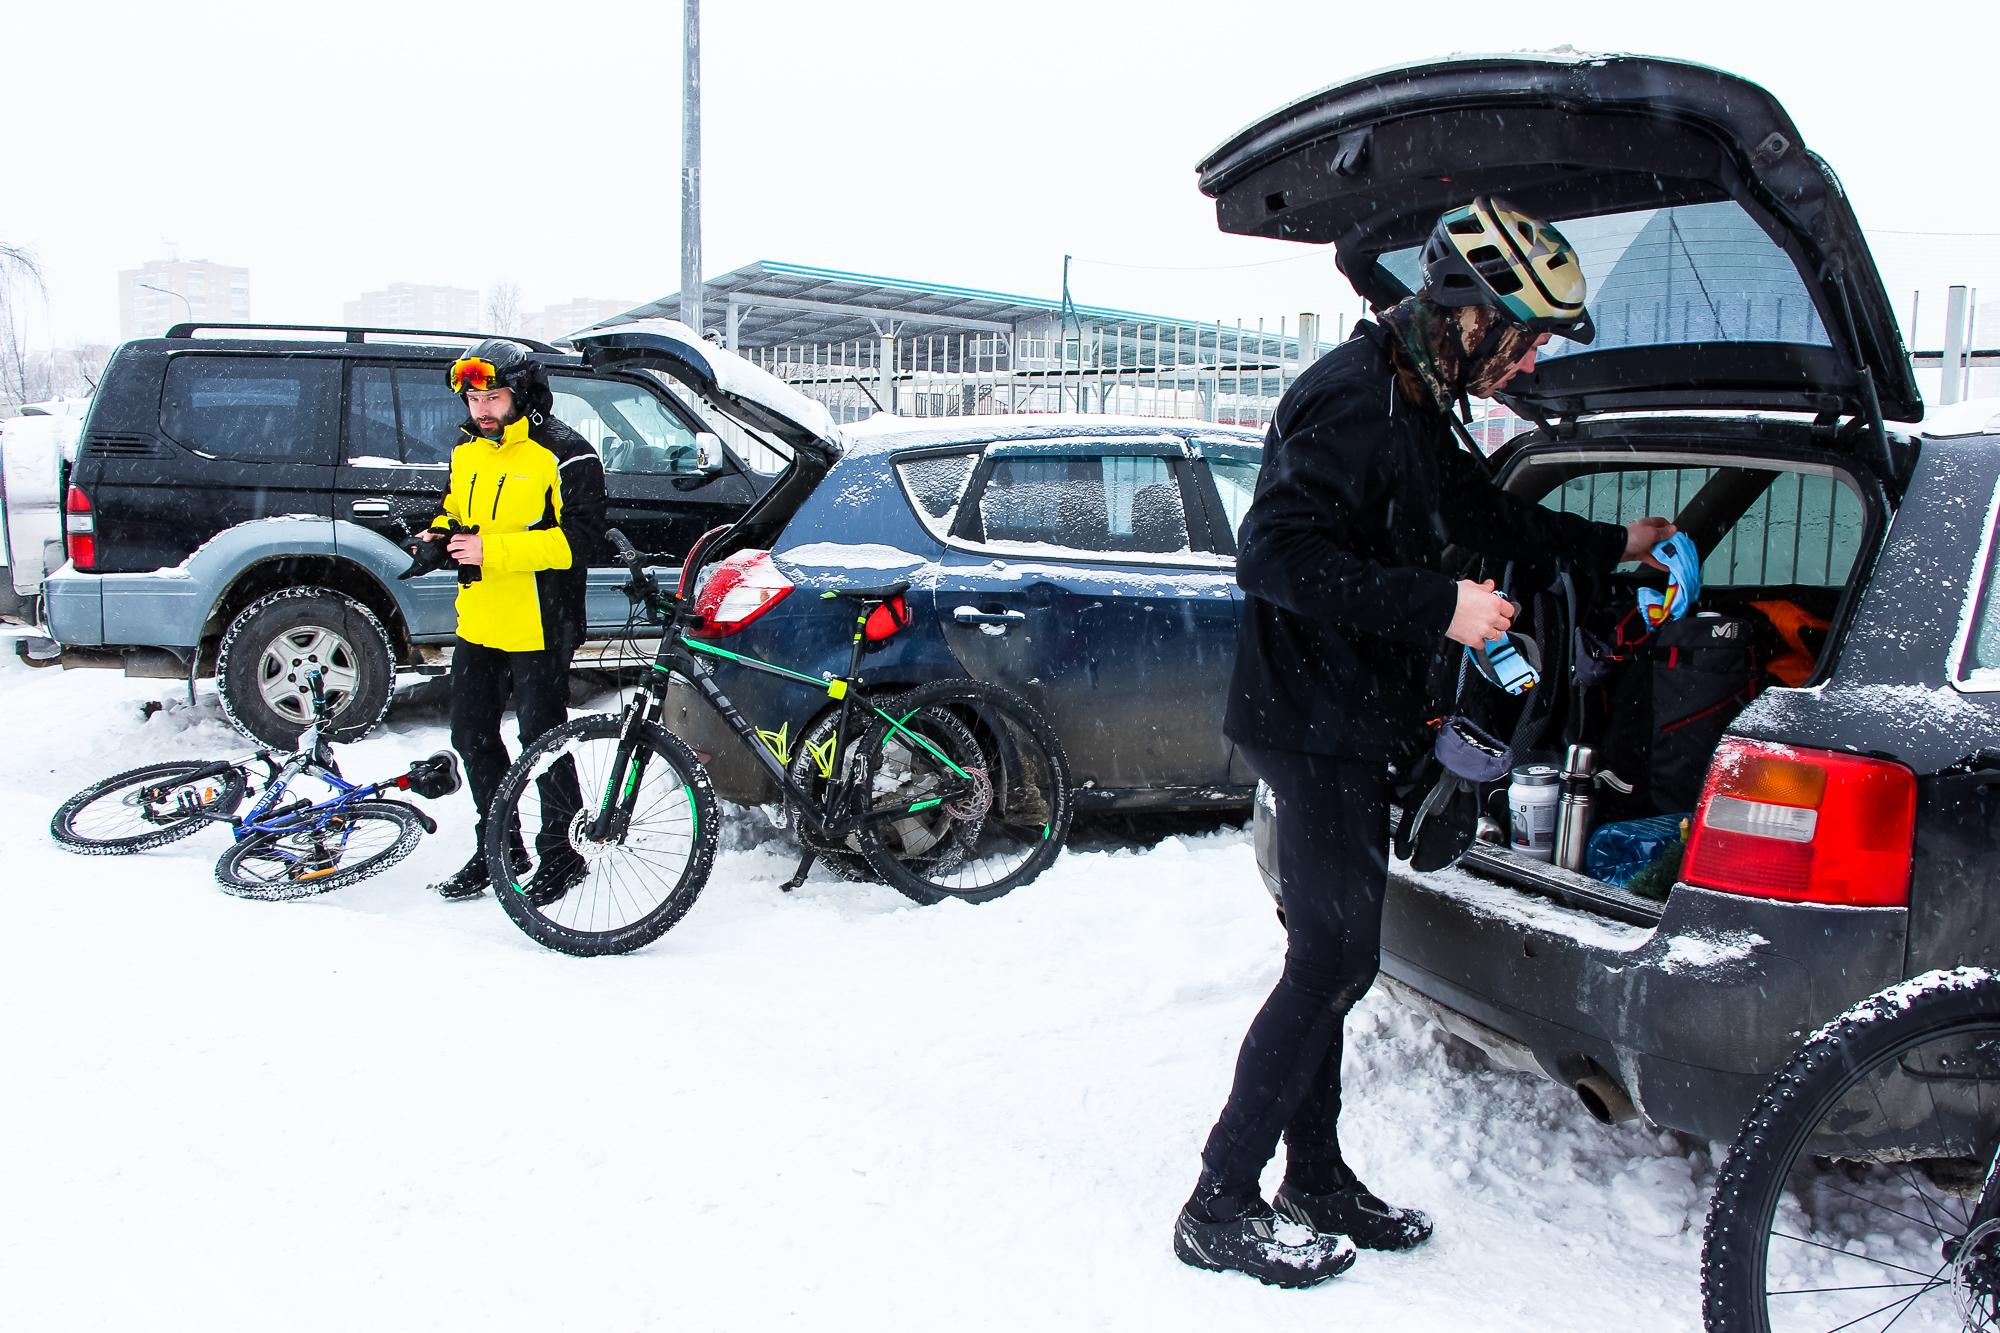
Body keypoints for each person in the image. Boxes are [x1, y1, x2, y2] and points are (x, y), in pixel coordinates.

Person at [1174, 197, 1677, 1287]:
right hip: (1309, 723)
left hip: (1345, 717)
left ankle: (1314, 1177)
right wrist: (1439, 607)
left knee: (1328, 959)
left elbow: (1484, 517)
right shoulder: (1355, 396)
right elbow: (1273, 557)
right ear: (1467, 313)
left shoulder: (1415, 394)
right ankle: (1218, 1201)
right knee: (1331, 962)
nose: (1532, 361)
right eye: (1525, 338)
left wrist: (1614, 546)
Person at [420, 339, 608, 903]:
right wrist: (437, 534)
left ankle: (562, 852)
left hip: (541, 620)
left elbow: (580, 541)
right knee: (471, 735)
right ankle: (499, 846)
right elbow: (455, 508)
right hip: (480, 617)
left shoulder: (567, 454)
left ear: (524, 394)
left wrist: (493, 551)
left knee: (542, 739)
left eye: (493, 398)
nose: (481, 410)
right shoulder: (467, 449)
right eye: (474, 399)